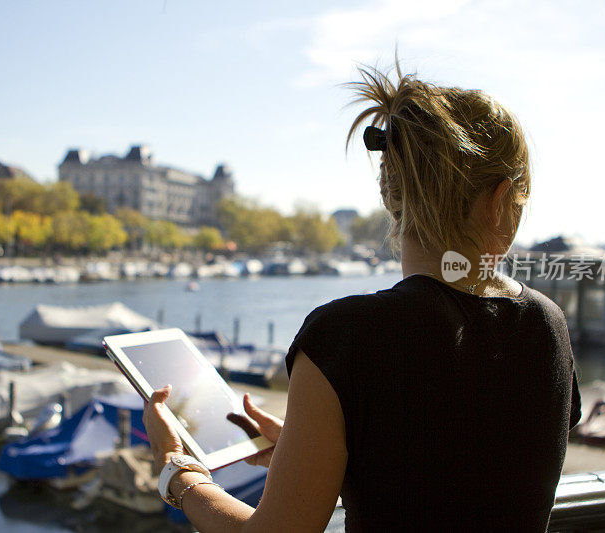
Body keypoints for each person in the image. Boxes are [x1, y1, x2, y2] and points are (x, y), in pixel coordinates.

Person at [142, 58, 582, 532]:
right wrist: (309, 448)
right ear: (500, 201)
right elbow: (469, 469)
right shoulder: (547, 324)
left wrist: (177, 470)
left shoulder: (346, 336)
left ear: (391, 193)